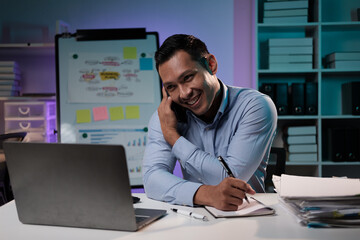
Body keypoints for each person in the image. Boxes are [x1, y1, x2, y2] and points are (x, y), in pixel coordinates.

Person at [142, 34, 277, 211]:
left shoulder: (255, 106)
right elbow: (152, 178)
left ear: (211, 64)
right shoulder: (168, 115)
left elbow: (231, 179)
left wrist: (174, 138)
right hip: (193, 218)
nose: (183, 94)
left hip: (244, 216)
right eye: (171, 87)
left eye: (188, 77)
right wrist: (205, 194)